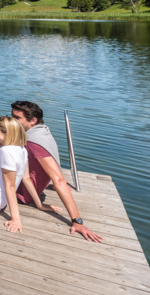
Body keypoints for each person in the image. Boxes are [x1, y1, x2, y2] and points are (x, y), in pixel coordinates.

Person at [10, 100, 103, 243]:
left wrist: (77, 221)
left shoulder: (34, 141)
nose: (12, 121)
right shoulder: (42, 131)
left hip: (22, 192)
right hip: (25, 184)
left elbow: (59, 180)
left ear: (33, 120)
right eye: (12, 117)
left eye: (17, 118)